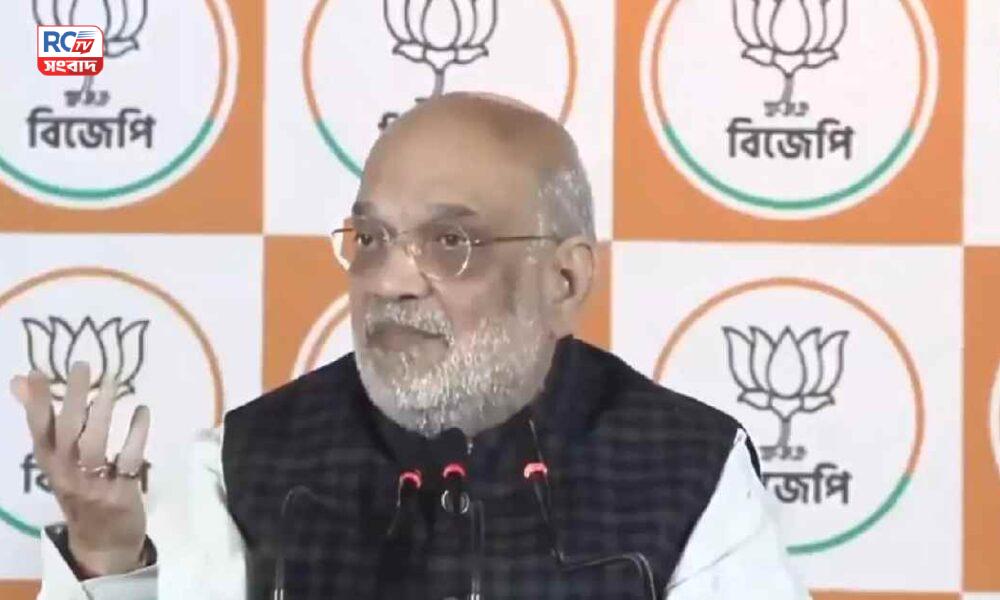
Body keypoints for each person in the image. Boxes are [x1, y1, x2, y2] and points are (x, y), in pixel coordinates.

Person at [10, 92, 808, 599]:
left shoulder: (688, 465)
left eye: (451, 241)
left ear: (563, 282)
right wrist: (108, 560)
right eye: (370, 239)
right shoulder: (246, 461)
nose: (390, 281)